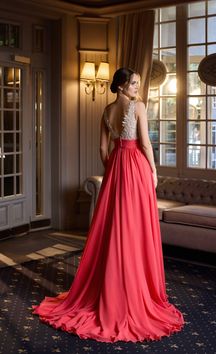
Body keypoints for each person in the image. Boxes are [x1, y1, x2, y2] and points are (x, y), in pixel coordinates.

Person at [33, 68, 185, 342]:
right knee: (134, 226)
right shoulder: (138, 107)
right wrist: (152, 171)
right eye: (134, 83)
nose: (137, 87)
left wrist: (114, 168)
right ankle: (132, 291)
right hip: (136, 166)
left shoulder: (105, 110)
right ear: (123, 85)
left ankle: (111, 286)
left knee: (114, 227)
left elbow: (103, 150)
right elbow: (146, 144)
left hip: (116, 166)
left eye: (138, 83)